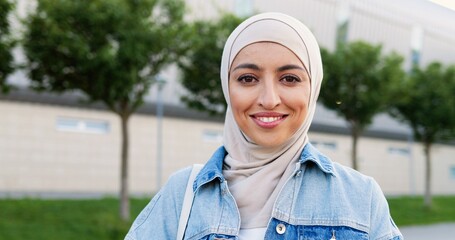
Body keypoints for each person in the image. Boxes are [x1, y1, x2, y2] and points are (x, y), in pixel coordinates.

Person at [125, 12, 403, 240]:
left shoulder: (361, 197)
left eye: (290, 79)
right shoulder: (181, 195)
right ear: (227, 86)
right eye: (247, 78)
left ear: (313, 87)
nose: (269, 100)